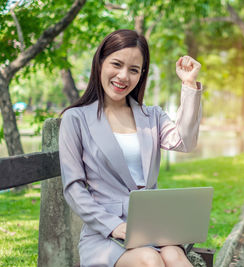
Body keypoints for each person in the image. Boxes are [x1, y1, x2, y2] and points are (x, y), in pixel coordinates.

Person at [58, 29, 202, 267]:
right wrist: (114, 226)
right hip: (104, 232)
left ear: (141, 75)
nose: (123, 76)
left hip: (153, 227)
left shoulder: (151, 116)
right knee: (150, 261)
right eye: (116, 64)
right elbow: (73, 187)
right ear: (100, 62)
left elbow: (185, 142)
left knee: (176, 258)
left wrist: (188, 84)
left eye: (134, 70)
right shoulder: (76, 119)